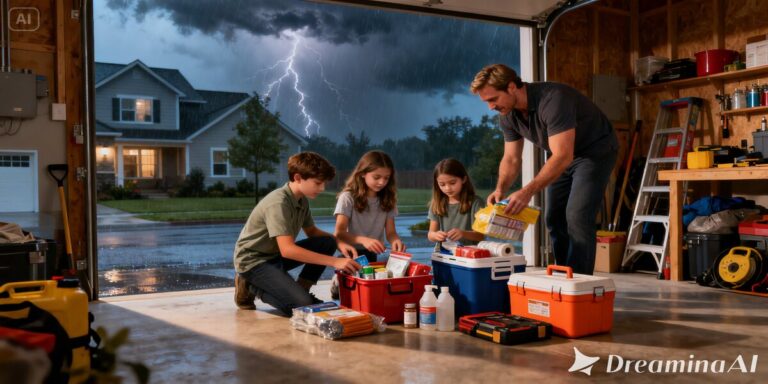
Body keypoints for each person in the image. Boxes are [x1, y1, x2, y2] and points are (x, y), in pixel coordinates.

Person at [470, 63, 618, 275]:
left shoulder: (553, 99)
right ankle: (563, 273)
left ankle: (578, 283)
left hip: (594, 152)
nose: (490, 107)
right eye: (486, 102)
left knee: (577, 216)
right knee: (554, 218)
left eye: (493, 99)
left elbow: (563, 155)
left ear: (512, 87)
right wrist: (500, 189)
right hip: (562, 155)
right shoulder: (508, 115)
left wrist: (526, 192)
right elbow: (511, 158)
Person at [233, 152, 361, 315]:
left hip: (274, 256)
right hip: (253, 261)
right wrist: (334, 262)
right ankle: (250, 285)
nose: (322, 188)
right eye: (318, 183)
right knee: (301, 306)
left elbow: (312, 232)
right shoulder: (278, 203)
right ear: (298, 177)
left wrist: (338, 242)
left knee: (327, 242)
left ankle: (300, 290)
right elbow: (288, 250)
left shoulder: (301, 199)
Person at [331, 150, 405, 299]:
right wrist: (364, 240)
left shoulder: (388, 199)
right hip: (350, 252)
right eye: (377, 177)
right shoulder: (348, 197)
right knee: (349, 291)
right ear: (363, 173)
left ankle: (340, 282)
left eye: (386, 178)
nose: (382, 182)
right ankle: (336, 282)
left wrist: (395, 241)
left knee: (366, 293)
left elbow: (390, 232)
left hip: (371, 254)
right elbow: (339, 233)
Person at [427, 158, 485, 248]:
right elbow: (430, 234)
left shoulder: (476, 203)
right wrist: (435, 236)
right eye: (442, 184)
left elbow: (481, 235)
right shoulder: (437, 204)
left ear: (463, 179)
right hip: (444, 254)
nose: (447, 188)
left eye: (452, 183)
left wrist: (463, 233)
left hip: (470, 254)